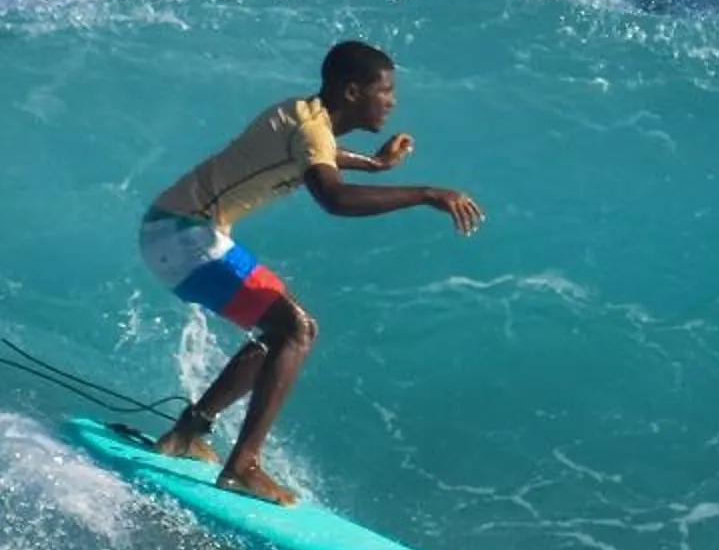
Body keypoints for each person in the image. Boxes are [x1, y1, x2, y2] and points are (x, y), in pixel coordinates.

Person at [137, 38, 484, 505]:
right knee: (295, 330)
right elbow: (334, 197)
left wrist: (377, 164)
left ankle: (187, 433)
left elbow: (321, 155)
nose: (393, 100)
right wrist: (425, 193)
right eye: (385, 90)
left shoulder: (306, 117)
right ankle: (242, 466)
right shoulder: (310, 129)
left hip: (181, 230)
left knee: (285, 331)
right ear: (352, 92)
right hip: (183, 235)